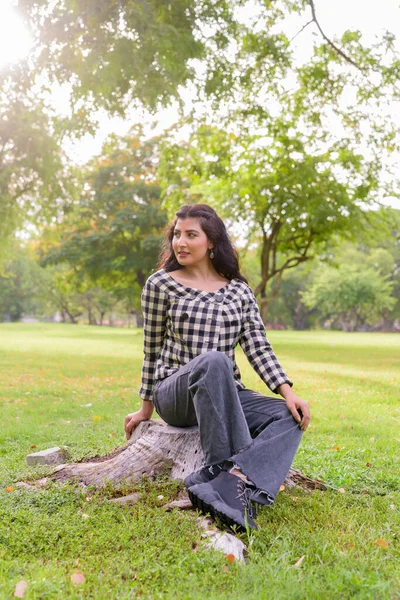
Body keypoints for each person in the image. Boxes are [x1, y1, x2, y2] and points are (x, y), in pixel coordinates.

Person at [124, 203, 310, 530]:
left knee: (288, 416)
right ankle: (225, 482)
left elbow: (257, 344)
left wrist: (287, 391)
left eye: (190, 235)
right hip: (176, 394)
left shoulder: (239, 290)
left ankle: (229, 479)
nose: (180, 242)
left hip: (227, 393)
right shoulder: (160, 285)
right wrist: (145, 410)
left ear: (211, 241)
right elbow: (151, 349)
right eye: (176, 235)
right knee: (214, 360)